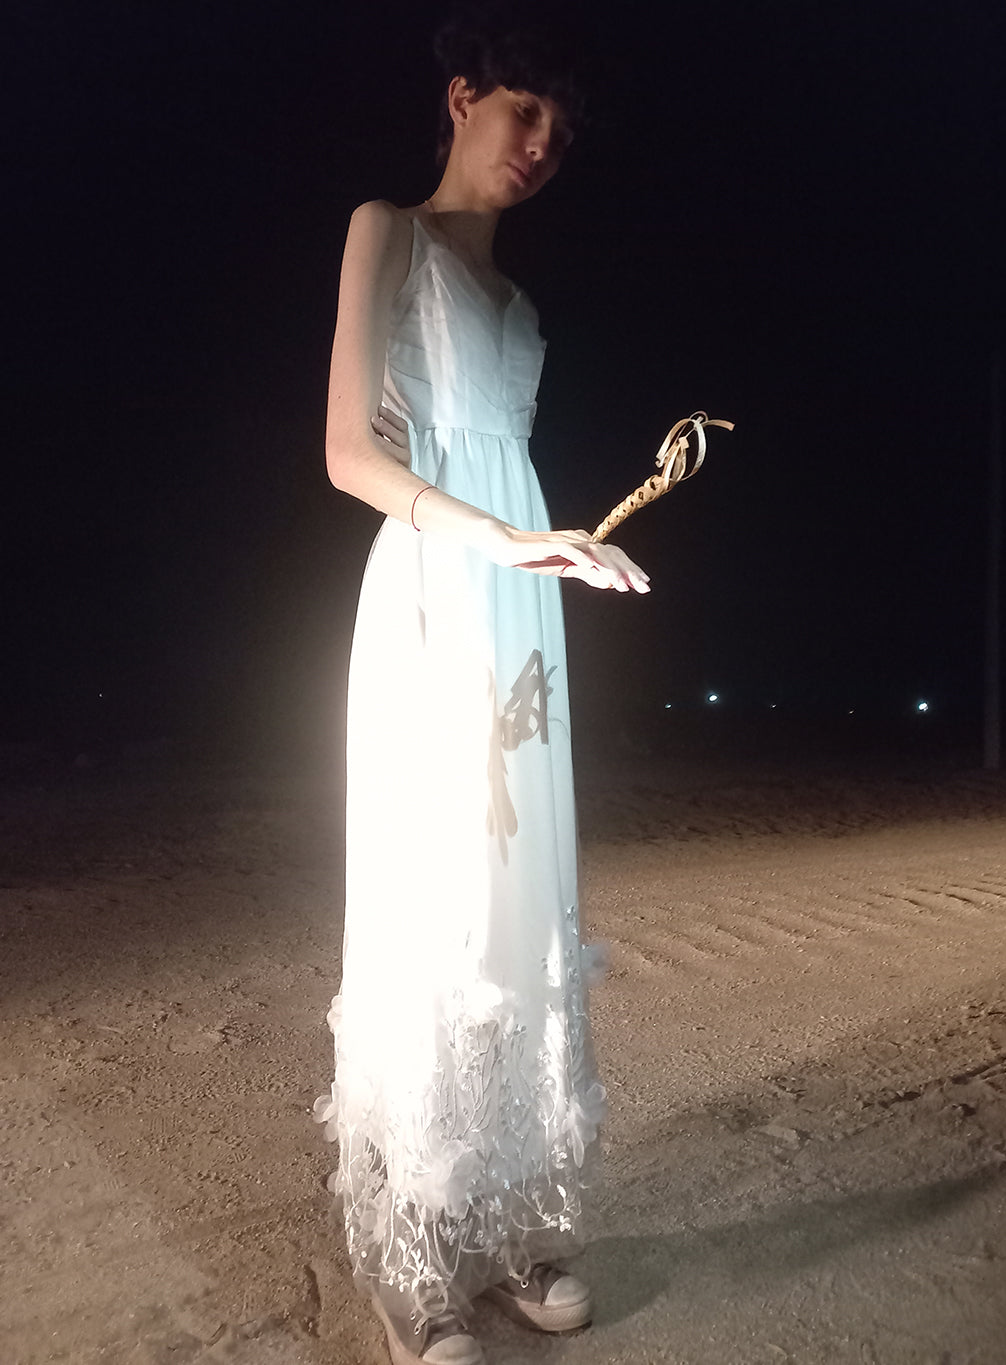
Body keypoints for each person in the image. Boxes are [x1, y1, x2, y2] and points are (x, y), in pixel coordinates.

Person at [313, 10, 649, 1363]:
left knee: (517, 901)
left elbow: (502, 459)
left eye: (562, 131)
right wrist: (507, 539)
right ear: (462, 97)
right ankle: (412, 1253)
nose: (542, 144)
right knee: (432, 899)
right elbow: (350, 454)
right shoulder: (384, 231)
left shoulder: (520, 310)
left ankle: (509, 1215)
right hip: (430, 598)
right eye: (524, 110)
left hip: (518, 614)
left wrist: (559, 549)